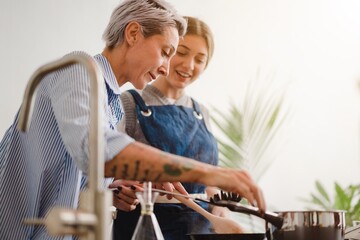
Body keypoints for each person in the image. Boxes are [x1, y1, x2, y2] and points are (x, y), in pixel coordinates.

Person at [0, 0, 265, 239]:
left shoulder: (110, 102)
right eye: (166, 51)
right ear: (133, 33)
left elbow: (78, 171)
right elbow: (96, 150)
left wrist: (114, 188)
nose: (166, 67)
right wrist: (210, 172)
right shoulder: (78, 69)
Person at [111, 16, 235, 240]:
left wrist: (220, 208)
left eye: (200, 59)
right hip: (143, 229)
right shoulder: (128, 103)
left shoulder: (202, 113)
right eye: (182, 52)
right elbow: (105, 169)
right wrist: (117, 191)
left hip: (201, 231)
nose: (189, 65)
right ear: (166, 52)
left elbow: (208, 185)